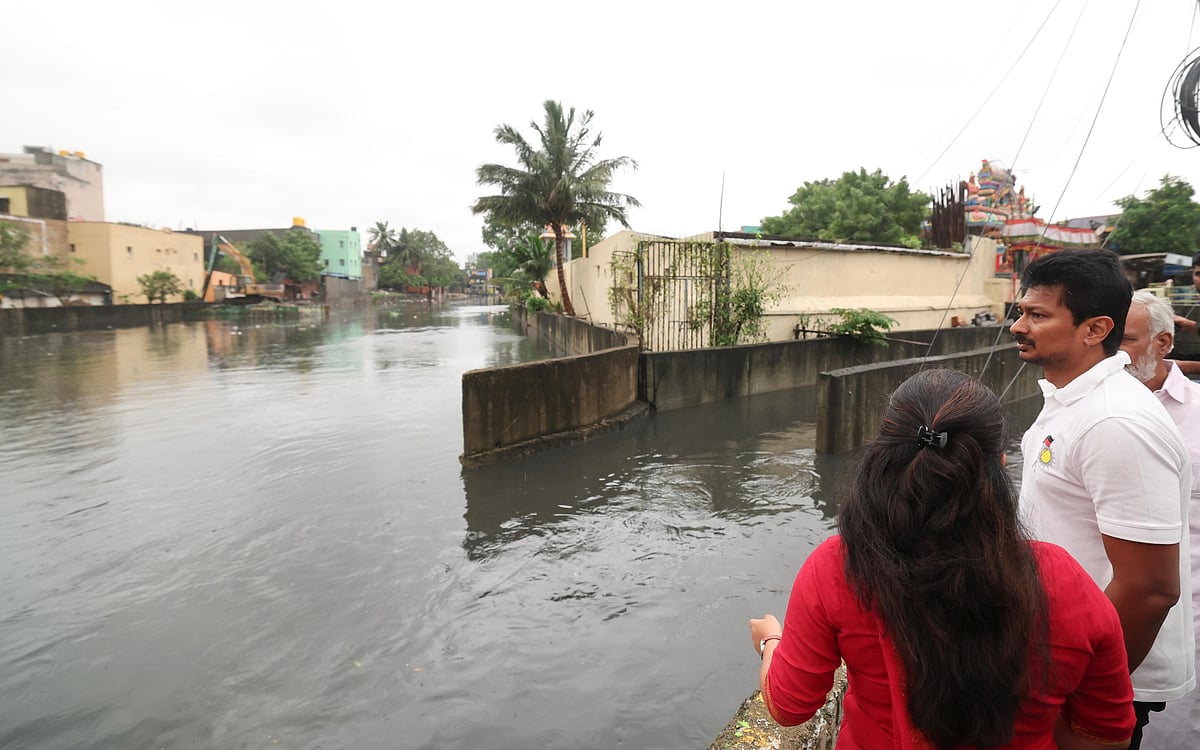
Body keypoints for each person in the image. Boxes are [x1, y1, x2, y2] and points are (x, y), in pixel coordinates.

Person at [749, 368, 1135, 749]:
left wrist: (771, 640)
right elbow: (1107, 734)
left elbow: (789, 707)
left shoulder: (837, 567)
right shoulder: (1062, 579)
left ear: (882, 457)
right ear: (1000, 465)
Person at [1011, 248, 1194, 748]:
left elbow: (1150, 588)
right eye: (1022, 312)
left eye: (1038, 315)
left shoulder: (1115, 422)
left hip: (1097, 676)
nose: (1018, 327)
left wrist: (1078, 689)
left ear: (1094, 330)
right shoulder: (1070, 399)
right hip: (1062, 657)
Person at [1121, 289, 1200, 747]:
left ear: (1163, 343)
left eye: (1126, 341)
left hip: (1188, 614)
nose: (1111, 355)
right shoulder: (1075, 414)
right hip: (1110, 620)